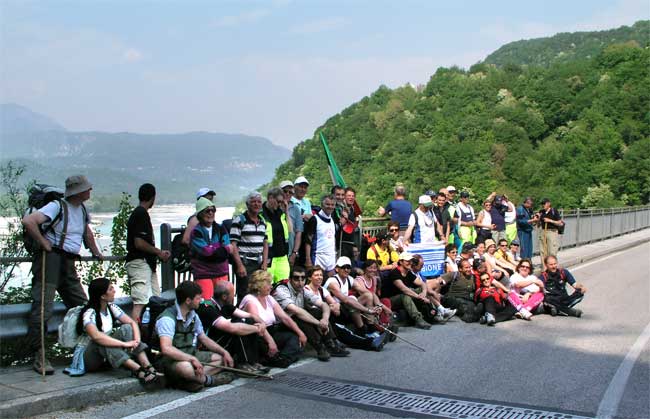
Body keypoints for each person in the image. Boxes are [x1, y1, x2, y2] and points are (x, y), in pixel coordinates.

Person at [22, 175, 103, 375]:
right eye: (87, 188)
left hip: (68, 261)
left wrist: (96, 252)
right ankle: (39, 355)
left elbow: (86, 233)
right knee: (43, 307)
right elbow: (29, 221)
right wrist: (43, 242)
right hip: (51, 259)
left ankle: (86, 350)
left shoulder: (81, 209)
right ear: (78, 191)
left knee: (82, 305)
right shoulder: (57, 206)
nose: (90, 191)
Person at [74, 277, 162, 387]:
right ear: (103, 296)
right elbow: (96, 336)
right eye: (110, 289)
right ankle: (138, 370)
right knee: (102, 341)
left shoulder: (111, 307)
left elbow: (132, 323)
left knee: (126, 328)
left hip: (106, 355)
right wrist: (125, 344)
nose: (114, 291)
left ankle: (147, 365)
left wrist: (136, 340)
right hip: (89, 358)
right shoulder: (89, 313)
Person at [155, 281, 235, 392]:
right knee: (187, 368)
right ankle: (209, 380)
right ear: (188, 301)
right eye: (198, 298)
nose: (201, 301)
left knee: (220, 359)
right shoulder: (167, 318)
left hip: (190, 353)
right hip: (170, 360)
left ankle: (189, 380)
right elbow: (166, 349)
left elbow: (204, 338)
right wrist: (191, 359)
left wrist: (224, 352)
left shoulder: (193, 316)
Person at [273, 266, 349, 360]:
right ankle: (319, 347)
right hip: (281, 324)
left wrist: (324, 320)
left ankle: (330, 343)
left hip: (295, 319)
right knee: (300, 318)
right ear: (290, 279)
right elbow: (296, 310)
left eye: (302, 278)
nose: (300, 282)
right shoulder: (282, 289)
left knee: (318, 312)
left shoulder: (303, 289)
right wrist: (319, 323)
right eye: (296, 278)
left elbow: (324, 305)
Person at [196, 281, 270, 375]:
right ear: (224, 297)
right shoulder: (207, 308)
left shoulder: (225, 305)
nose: (233, 297)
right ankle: (243, 364)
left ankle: (252, 362)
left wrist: (262, 324)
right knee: (238, 328)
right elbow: (231, 328)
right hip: (209, 345)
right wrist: (257, 329)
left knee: (249, 322)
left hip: (223, 341)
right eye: (232, 294)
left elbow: (251, 316)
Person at [240, 270, 306, 367]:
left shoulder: (269, 298)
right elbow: (259, 324)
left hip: (271, 331)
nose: (271, 286)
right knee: (293, 350)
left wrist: (300, 333)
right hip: (258, 335)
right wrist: (271, 342)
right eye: (268, 284)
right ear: (259, 285)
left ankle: (281, 359)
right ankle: (279, 359)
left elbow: (285, 317)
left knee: (294, 338)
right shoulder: (250, 300)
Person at [126, 183, 170, 322]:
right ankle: (136, 332)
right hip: (140, 263)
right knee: (140, 302)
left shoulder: (140, 213)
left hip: (147, 264)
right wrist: (158, 252)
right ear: (152, 197)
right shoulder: (140, 214)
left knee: (156, 301)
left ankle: (152, 330)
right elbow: (139, 242)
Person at [190, 197, 231, 300]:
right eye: (207, 211)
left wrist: (213, 249)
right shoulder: (196, 232)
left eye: (213, 210)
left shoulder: (221, 229)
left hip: (221, 272)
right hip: (203, 274)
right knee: (207, 304)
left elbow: (228, 248)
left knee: (223, 302)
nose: (211, 213)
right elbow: (206, 252)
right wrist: (220, 249)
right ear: (200, 214)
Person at [230, 192, 268, 302]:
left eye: (259, 202)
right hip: (245, 262)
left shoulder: (262, 222)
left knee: (258, 292)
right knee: (245, 293)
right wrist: (240, 265)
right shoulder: (239, 220)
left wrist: (265, 262)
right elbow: (233, 245)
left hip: (259, 263)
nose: (256, 204)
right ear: (247, 204)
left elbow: (265, 243)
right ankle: (243, 312)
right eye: (253, 202)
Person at [381, 253, 432, 329]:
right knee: (405, 296)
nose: (410, 263)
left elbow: (422, 284)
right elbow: (404, 289)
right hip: (390, 300)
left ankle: (433, 312)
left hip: (402, 297)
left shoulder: (408, 273)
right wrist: (420, 297)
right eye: (407, 261)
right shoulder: (394, 273)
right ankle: (418, 319)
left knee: (421, 289)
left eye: (411, 261)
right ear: (401, 262)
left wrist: (423, 293)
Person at [263, 187, 291, 283]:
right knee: (267, 286)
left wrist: (286, 211)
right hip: (269, 257)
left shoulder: (281, 213)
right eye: (278, 201)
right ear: (270, 198)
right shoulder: (261, 214)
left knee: (283, 286)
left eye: (281, 202)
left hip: (282, 256)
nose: (279, 204)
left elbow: (290, 230)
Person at [304, 195, 337, 274]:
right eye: (327, 204)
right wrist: (308, 259)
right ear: (322, 205)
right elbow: (308, 240)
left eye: (332, 205)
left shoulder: (332, 220)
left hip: (331, 260)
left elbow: (332, 240)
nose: (330, 207)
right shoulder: (314, 219)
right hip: (318, 258)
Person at [280, 180, 303, 267]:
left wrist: (294, 253)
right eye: (285, 191)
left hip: (290, 252)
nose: (287, 194)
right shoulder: (274, 207)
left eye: (290, 192)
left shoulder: (296, 209)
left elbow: (298, 232)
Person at [538, 198, 564, 269]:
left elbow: (559, 222)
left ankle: (552, 268)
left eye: (544, 203)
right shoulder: (541, 212)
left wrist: (550, 220)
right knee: (543, 251)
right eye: (542, 204)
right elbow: (538, 224)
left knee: (552, 251)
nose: (543, 205)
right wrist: (537, 219)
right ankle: (544, 269)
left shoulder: (554, 211)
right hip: (543, 231)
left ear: (548, 203)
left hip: (552, 232)